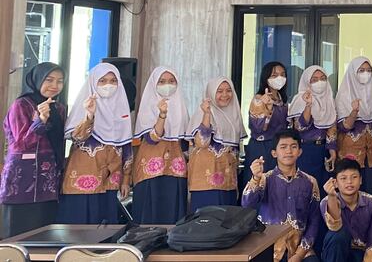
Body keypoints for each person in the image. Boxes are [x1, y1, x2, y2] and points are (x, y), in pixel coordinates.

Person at [59, 63, 133, 224]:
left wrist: (126, 178)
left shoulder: (121, 109)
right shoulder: (84, 106)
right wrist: (89, 115)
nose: (109, 85)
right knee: (79, 227)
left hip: (111, 180)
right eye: (103, 81)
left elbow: (126, 144)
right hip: (83, 178)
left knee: (105, 227)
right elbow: (77, 137)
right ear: (93, 82)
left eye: (113, 81)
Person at [1, 62, 66, 237]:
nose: (55, 85)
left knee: (44, 235)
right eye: (49, 80)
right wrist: (41, 120)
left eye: (60, 81)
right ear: (37, 80)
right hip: (21, 181)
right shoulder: (21, 105)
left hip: (48, 183)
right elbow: (21, 143)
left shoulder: (59, 108)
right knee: (17, 236)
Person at [243, 129, 321, 262]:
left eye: (293, 146)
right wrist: (255, 178)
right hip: (268, 246)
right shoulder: (264, 179)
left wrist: (299, 255)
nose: (289, 151)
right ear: (274, 153)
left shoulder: (310, 182)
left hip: (298, 247)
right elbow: (247, 204)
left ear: (300, 152)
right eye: (283, 147)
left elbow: (314, 221)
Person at [131, 66, 190, 224]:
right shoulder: (148, 106)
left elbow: (186, 142)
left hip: (176, 170)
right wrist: (162, 115)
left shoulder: (181, 106)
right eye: (162, 82)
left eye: (171, 81)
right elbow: (152, 138)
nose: (167, 85)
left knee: (174, 219)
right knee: (149, 218)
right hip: (151, 172)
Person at [187, 78, 245, 211]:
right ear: (211, 93)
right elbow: (201, 142)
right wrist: (207, 114)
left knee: (227, 220)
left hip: (228, 182)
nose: (225, 94)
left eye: (228, 90)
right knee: (207, 219)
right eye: (219, 91)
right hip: (206, 183)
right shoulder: (203, 112)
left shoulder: (234, 115)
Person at [289, 66, 338, 197]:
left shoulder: (329, 99)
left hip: (323, 150)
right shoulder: (300, 99)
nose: (319, 82)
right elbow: (300, 126)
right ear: (307, 82)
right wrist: (308, 105)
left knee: (323, 190)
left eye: (322, 78)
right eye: (314, 80)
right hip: (306, 150)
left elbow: (332, 126)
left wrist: (332, 150)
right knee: (305, 189)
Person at [334, 57, 372, 196]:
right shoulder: (344, 94)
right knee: (349, 189)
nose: (366, 73)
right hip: (350, 151)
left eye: (369, 70)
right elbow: (343, 127)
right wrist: (354, 111)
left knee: (368, 191)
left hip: (369, 153)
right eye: (361, 70)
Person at [320, 158, 372, 262]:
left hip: (361, 252)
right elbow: (335, 227)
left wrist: (370, 253)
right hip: (335, 252)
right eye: (343, 178)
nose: (349, 182)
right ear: (335, 182)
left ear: (361, 180)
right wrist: (331, 196)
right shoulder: (325, 202)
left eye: (354, 177)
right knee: (338, 236)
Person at [243, 61, 289, 188]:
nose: (279, 78)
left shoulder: (282, 99)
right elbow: (258, 128)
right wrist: (267, 109)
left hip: (279, 147)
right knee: (260, 184)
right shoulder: (259, 99)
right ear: (266, 78)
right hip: (262, 147)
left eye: (282, 74)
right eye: (274, 75)